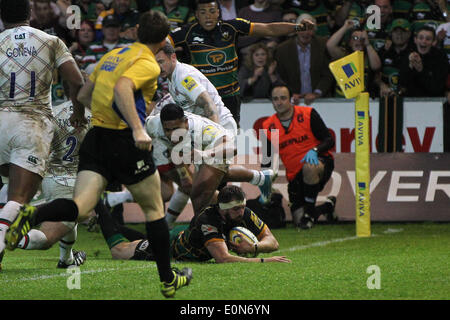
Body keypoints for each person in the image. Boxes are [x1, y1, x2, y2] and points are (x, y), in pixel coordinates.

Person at [6, 10, 192, 299]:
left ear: (137, 31)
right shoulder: (147, 63)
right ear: (164, 39)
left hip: (96, 139)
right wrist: (138, 130)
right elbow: (123, 87)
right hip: (125, 141)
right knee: (155, 210)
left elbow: (82, 93)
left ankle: (31, 214)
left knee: (80, 207)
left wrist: (86, 115)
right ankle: (168, 280)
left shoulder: (113, 54)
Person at [0, 0, 85, 257]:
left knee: (8, 190)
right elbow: (76, 80)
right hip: (31, 123)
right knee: (19, 198)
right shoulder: (51, 41)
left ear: (2, 17)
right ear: (31, 13)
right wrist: (78, 113)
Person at [168, 0, 316, 125]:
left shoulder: (232, 27)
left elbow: (269, 29)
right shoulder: (187, 32)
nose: (208, 16)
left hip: (230, 97)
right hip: (201, 97)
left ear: (218, 13)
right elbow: (162, 43)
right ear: (196, 15)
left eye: (212, 11)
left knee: (228, 143)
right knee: (203, 139)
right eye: (203, 12)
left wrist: (297, 27)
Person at [0, 94, 89, 270]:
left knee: (70, 220)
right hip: (72, 181)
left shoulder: (54, 113)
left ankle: (67, 259)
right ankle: (6, 235)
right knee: (46, 238)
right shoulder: (97, 117)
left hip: (46, 176)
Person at [97, 185, 291, 263]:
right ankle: (98, 209)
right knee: (119, 251)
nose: (241, 213)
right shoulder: (208, 220)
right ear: (223, 209)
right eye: (235, 209)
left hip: (185, 234)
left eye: (242, 207)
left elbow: (273, 241)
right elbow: (222, 258)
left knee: (148, 237)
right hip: (171, 247)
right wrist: (264, 260)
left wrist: (255, 246)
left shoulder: (244, 213)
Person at [146, 104, 277, 215]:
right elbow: (173, 148)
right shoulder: (153, 125)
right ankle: (260, 178)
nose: (171, 134)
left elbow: (232, 148)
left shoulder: (204, 130)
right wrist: (183, 175)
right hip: (200, 150)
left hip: (216, 148)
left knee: (198, 192)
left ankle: (201, 230)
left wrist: (205, 154)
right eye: (167, 130)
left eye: (175, 129)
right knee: (213, 178)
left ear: (185, 122)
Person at [262, 84, 337, 229]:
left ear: (291, 99)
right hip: (294, 176)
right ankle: (327, 207)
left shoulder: (308, 114)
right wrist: (265, 185)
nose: (279, 102)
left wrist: (315, 150)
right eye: (275, 99)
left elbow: (329, 140)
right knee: (298, 221)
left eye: (283, 98)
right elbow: (267, 160)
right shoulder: (268, 126)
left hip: (319, 163)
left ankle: (309, 214)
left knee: (309, 167)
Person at [274, 14, 334, 105]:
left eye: (310, 28)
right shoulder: (282, 49)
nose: (305, 32)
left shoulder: (323, 45)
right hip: (292, 101)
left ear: (314, 30)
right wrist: (289, 93)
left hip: (320, 101)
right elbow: (280, 76)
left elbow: (328, 74)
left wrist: (317, 93)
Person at [326, 19, 382, 97]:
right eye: (355, 38)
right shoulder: (344, 55)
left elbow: (376, 66)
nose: (358, 41)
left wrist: (368, 44)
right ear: (349, 42)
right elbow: (330, 46)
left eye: (362, 39)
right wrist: (345, 27)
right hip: (341, 100)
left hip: (360, 100)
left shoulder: (368, 56)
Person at [399, 25, 448, 97]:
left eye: (428, 39)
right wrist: (409, 66)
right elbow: (402, 84)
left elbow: (437, 88)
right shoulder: (408, 55)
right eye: (421, 38)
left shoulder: (440, 57)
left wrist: (421, 70)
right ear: (415, 40)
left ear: (434, 42)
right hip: (410, 101)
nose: (424, 41)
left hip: (434, 101)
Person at [375, 18, 414, 97]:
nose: (399, 34)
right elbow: (374, 75)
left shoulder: (415, 53)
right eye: (396, 31)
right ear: (391, 33)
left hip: (408, 98)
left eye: (403, 31)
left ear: (409, 34)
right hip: (384, 96)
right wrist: (381, 85)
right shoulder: (383, 51)